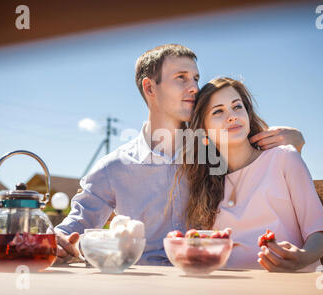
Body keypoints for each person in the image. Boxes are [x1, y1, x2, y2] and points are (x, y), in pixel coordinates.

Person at [54, 44, 306, 265]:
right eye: (181, 78)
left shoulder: (214, 153)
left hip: (206, 282)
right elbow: (73, 228)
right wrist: (58, 241)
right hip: (138, 287)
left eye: (196, 78)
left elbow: (262, 171)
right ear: (150, 88)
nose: (195, 87)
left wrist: (295, 142)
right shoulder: (114, 167)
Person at [170, 77, 323, 272]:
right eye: (218, 111)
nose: (231, 116)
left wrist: (303, 257)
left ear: (248, 114)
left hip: (288, 284)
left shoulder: (284, 158)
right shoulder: (207, 184)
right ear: (204, 135)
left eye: (237, 107)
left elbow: (319, 233)